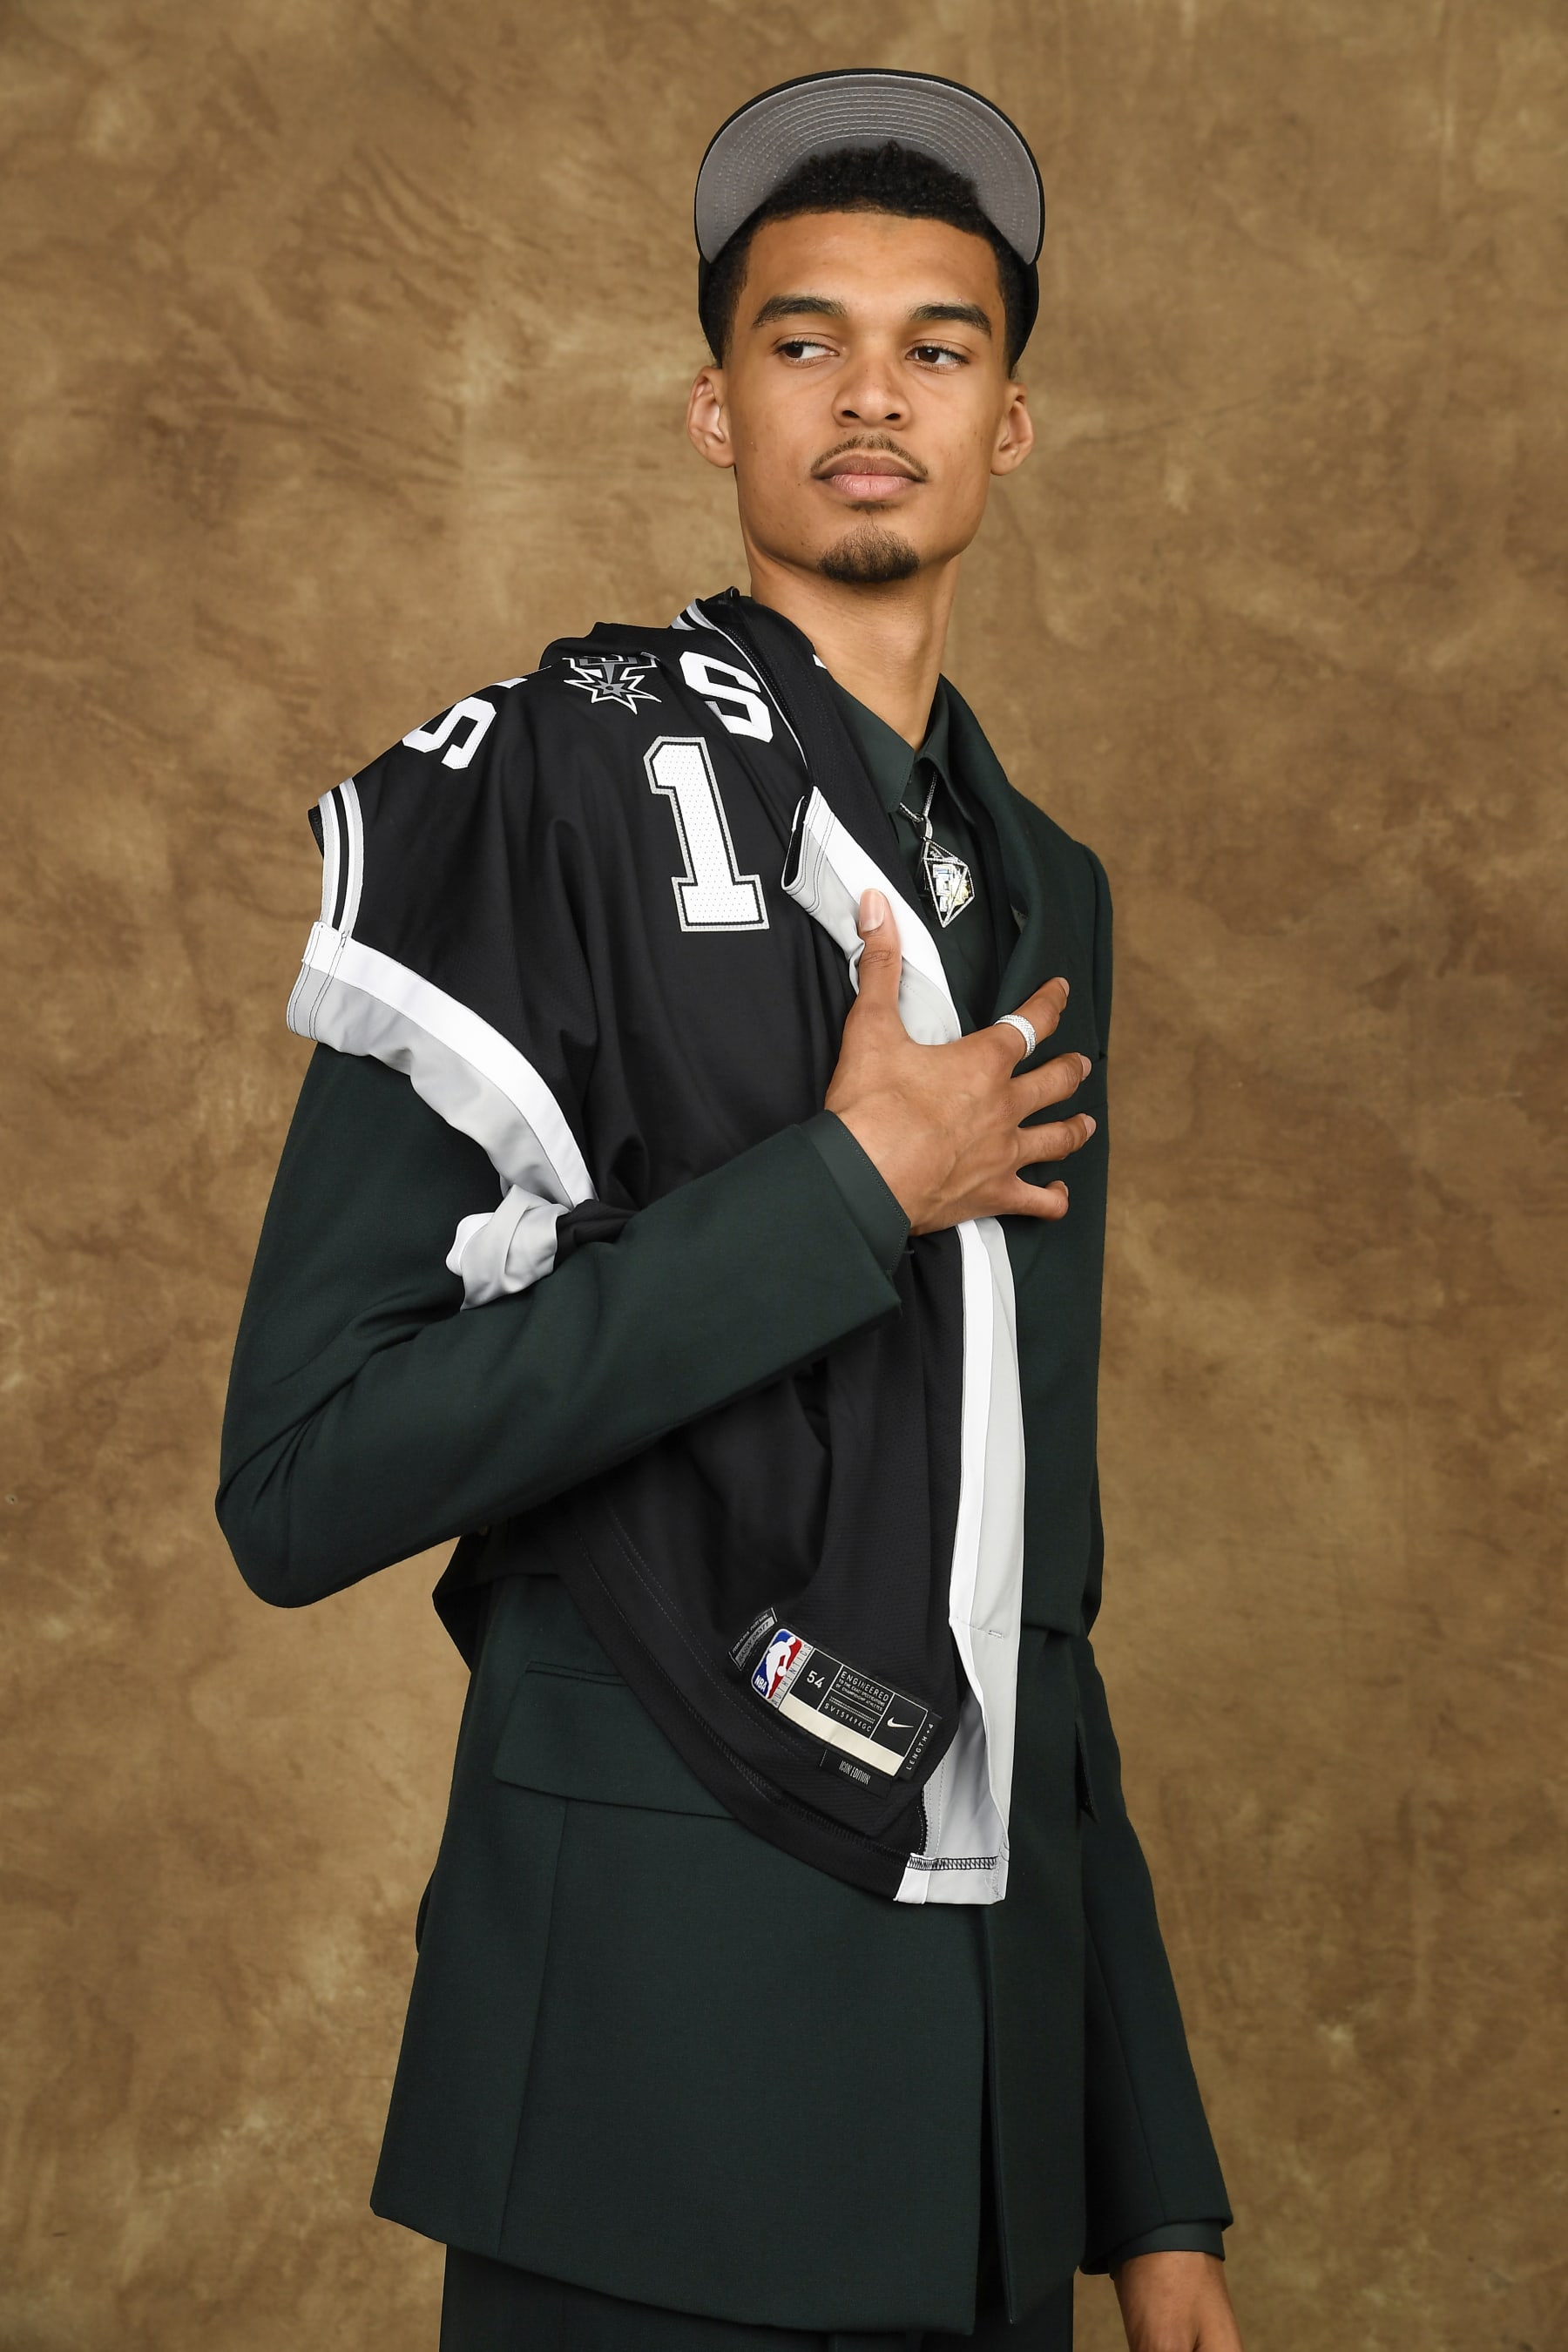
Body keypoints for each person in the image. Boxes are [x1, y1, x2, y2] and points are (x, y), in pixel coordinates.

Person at [218, 68, 1243, 2352]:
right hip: (648, 2088)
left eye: (939, 345)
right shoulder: (558, 783)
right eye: (806, 340)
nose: (871, 393)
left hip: (988, 2118)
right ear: (714, 409)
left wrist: (1147, 2185)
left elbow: (1024, 1581)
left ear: (1013, 429)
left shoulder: (1041, 882)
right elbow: (297, 1479)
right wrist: (843, 1190)